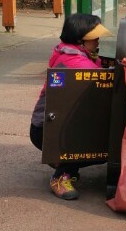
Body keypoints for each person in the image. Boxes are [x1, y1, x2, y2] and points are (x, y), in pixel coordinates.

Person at [29, 13, 111, 200]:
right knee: (105, 143)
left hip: (47, 126)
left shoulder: (67, 52)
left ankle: (62, 161)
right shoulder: (76, 63)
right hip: (47, 131)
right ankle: (60, 176)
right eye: (94, 38)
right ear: (80, 40)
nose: (98, 42)